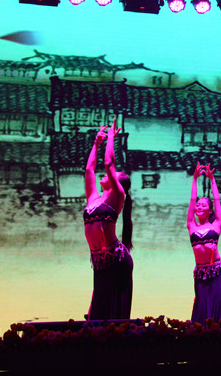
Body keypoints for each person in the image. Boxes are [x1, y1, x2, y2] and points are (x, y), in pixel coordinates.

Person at [84, 117, 133, 320]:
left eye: (113, 175)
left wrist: (111, 137)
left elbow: (108, 163)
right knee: (98, 309)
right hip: (99, 260)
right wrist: (96, 144)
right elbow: (89, 170)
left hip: (115, 260)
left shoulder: (117, 196)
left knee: (112, 312)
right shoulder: (94, 198)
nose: (105, 175)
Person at [187, 162, 221, 324]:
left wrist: (212, 180)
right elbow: (191, 200)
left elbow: (217, 200)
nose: (198, 207)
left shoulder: (217, 224)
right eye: (198, 205)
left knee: (216, 307)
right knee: (202, 307)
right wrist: (194, 179)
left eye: (203, 205)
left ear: (209, 210)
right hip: (200, 273)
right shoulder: (191, 226)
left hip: (216, 273)